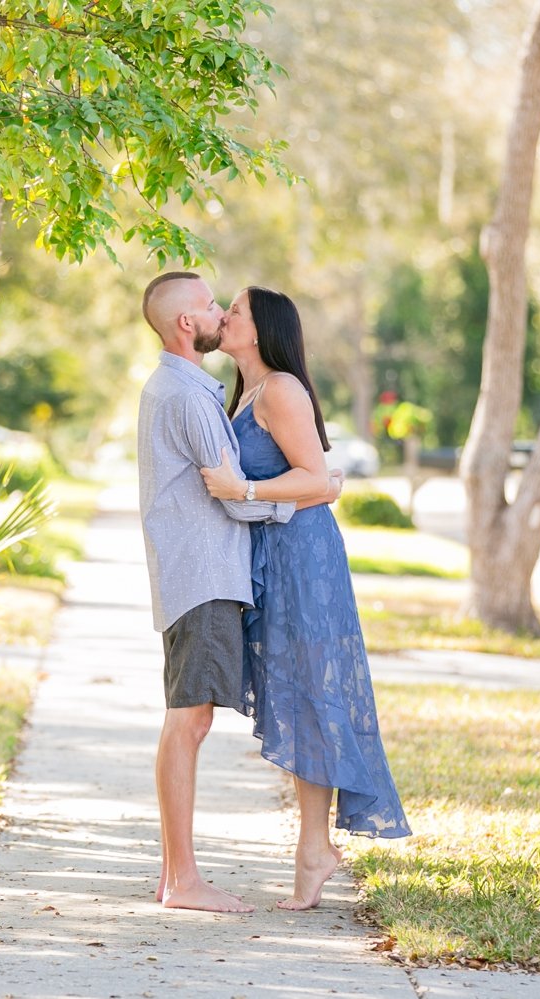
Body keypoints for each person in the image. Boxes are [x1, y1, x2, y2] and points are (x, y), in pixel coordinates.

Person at [136, 272, 342, 914]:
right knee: (189, 720)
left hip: (219, 573)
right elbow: (226, 492)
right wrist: (314, 490)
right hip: (206, 575)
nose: (219, 312)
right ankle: (183, 882)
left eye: (229, 308)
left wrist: (297, 491)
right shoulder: (195, 398)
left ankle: (183, 877)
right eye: (208, 306)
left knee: (193, 720)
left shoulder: (203, 390)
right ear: (184, 327)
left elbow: (232, 489)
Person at [201, 286, 411, 911]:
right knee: (294, 692)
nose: (224, 316)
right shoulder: (249, 393)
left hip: (303, 559)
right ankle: (314, 849)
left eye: (234, 310)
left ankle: (313, 849)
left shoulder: (282, 389)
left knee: (311, 691)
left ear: (261, 329)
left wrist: (239, 491)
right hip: (277, 554)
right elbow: (318, 477)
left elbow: (317, 482)